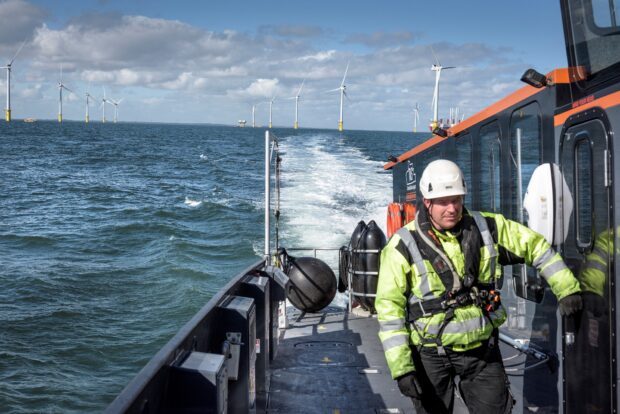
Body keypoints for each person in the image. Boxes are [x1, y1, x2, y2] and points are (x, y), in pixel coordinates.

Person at [375, 159, 582, 414]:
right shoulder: (402, 246)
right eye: (443, 201)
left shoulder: (488, 227)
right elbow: (389, 309)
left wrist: (567, 288)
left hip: (482, 353)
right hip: (430, 355)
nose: (452, 208)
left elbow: (536, 247)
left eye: (457, 199)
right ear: (427, 202)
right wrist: (402, 368)